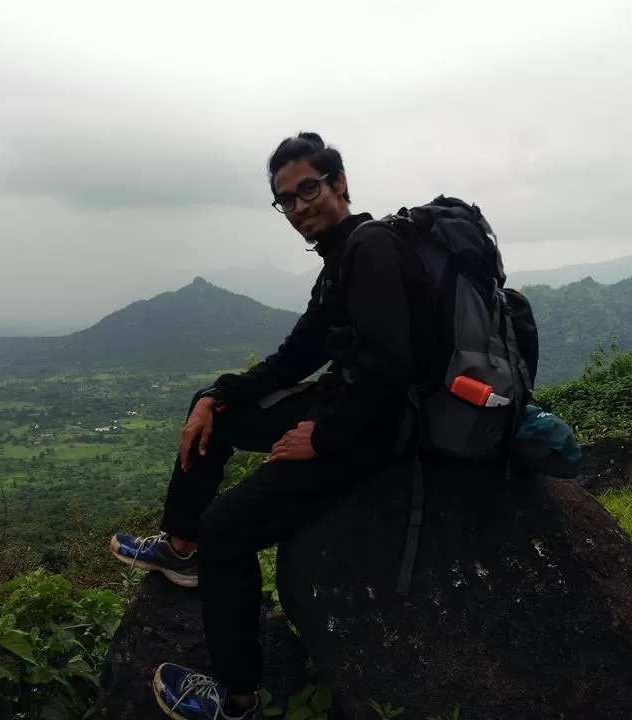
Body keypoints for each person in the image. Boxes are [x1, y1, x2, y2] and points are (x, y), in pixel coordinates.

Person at [109, 132, 436, 720]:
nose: (299, 206)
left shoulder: (372, 250)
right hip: (348, 412)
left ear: (338, 182)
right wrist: (216, 393)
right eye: (286, 199)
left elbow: (391, 366)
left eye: (308, 188)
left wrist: (323, 436)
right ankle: (181, 548)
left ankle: (237, 702)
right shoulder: (342, 260)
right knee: (221, 410)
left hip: (378, 436)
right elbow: (295, 356)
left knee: (228, 529)